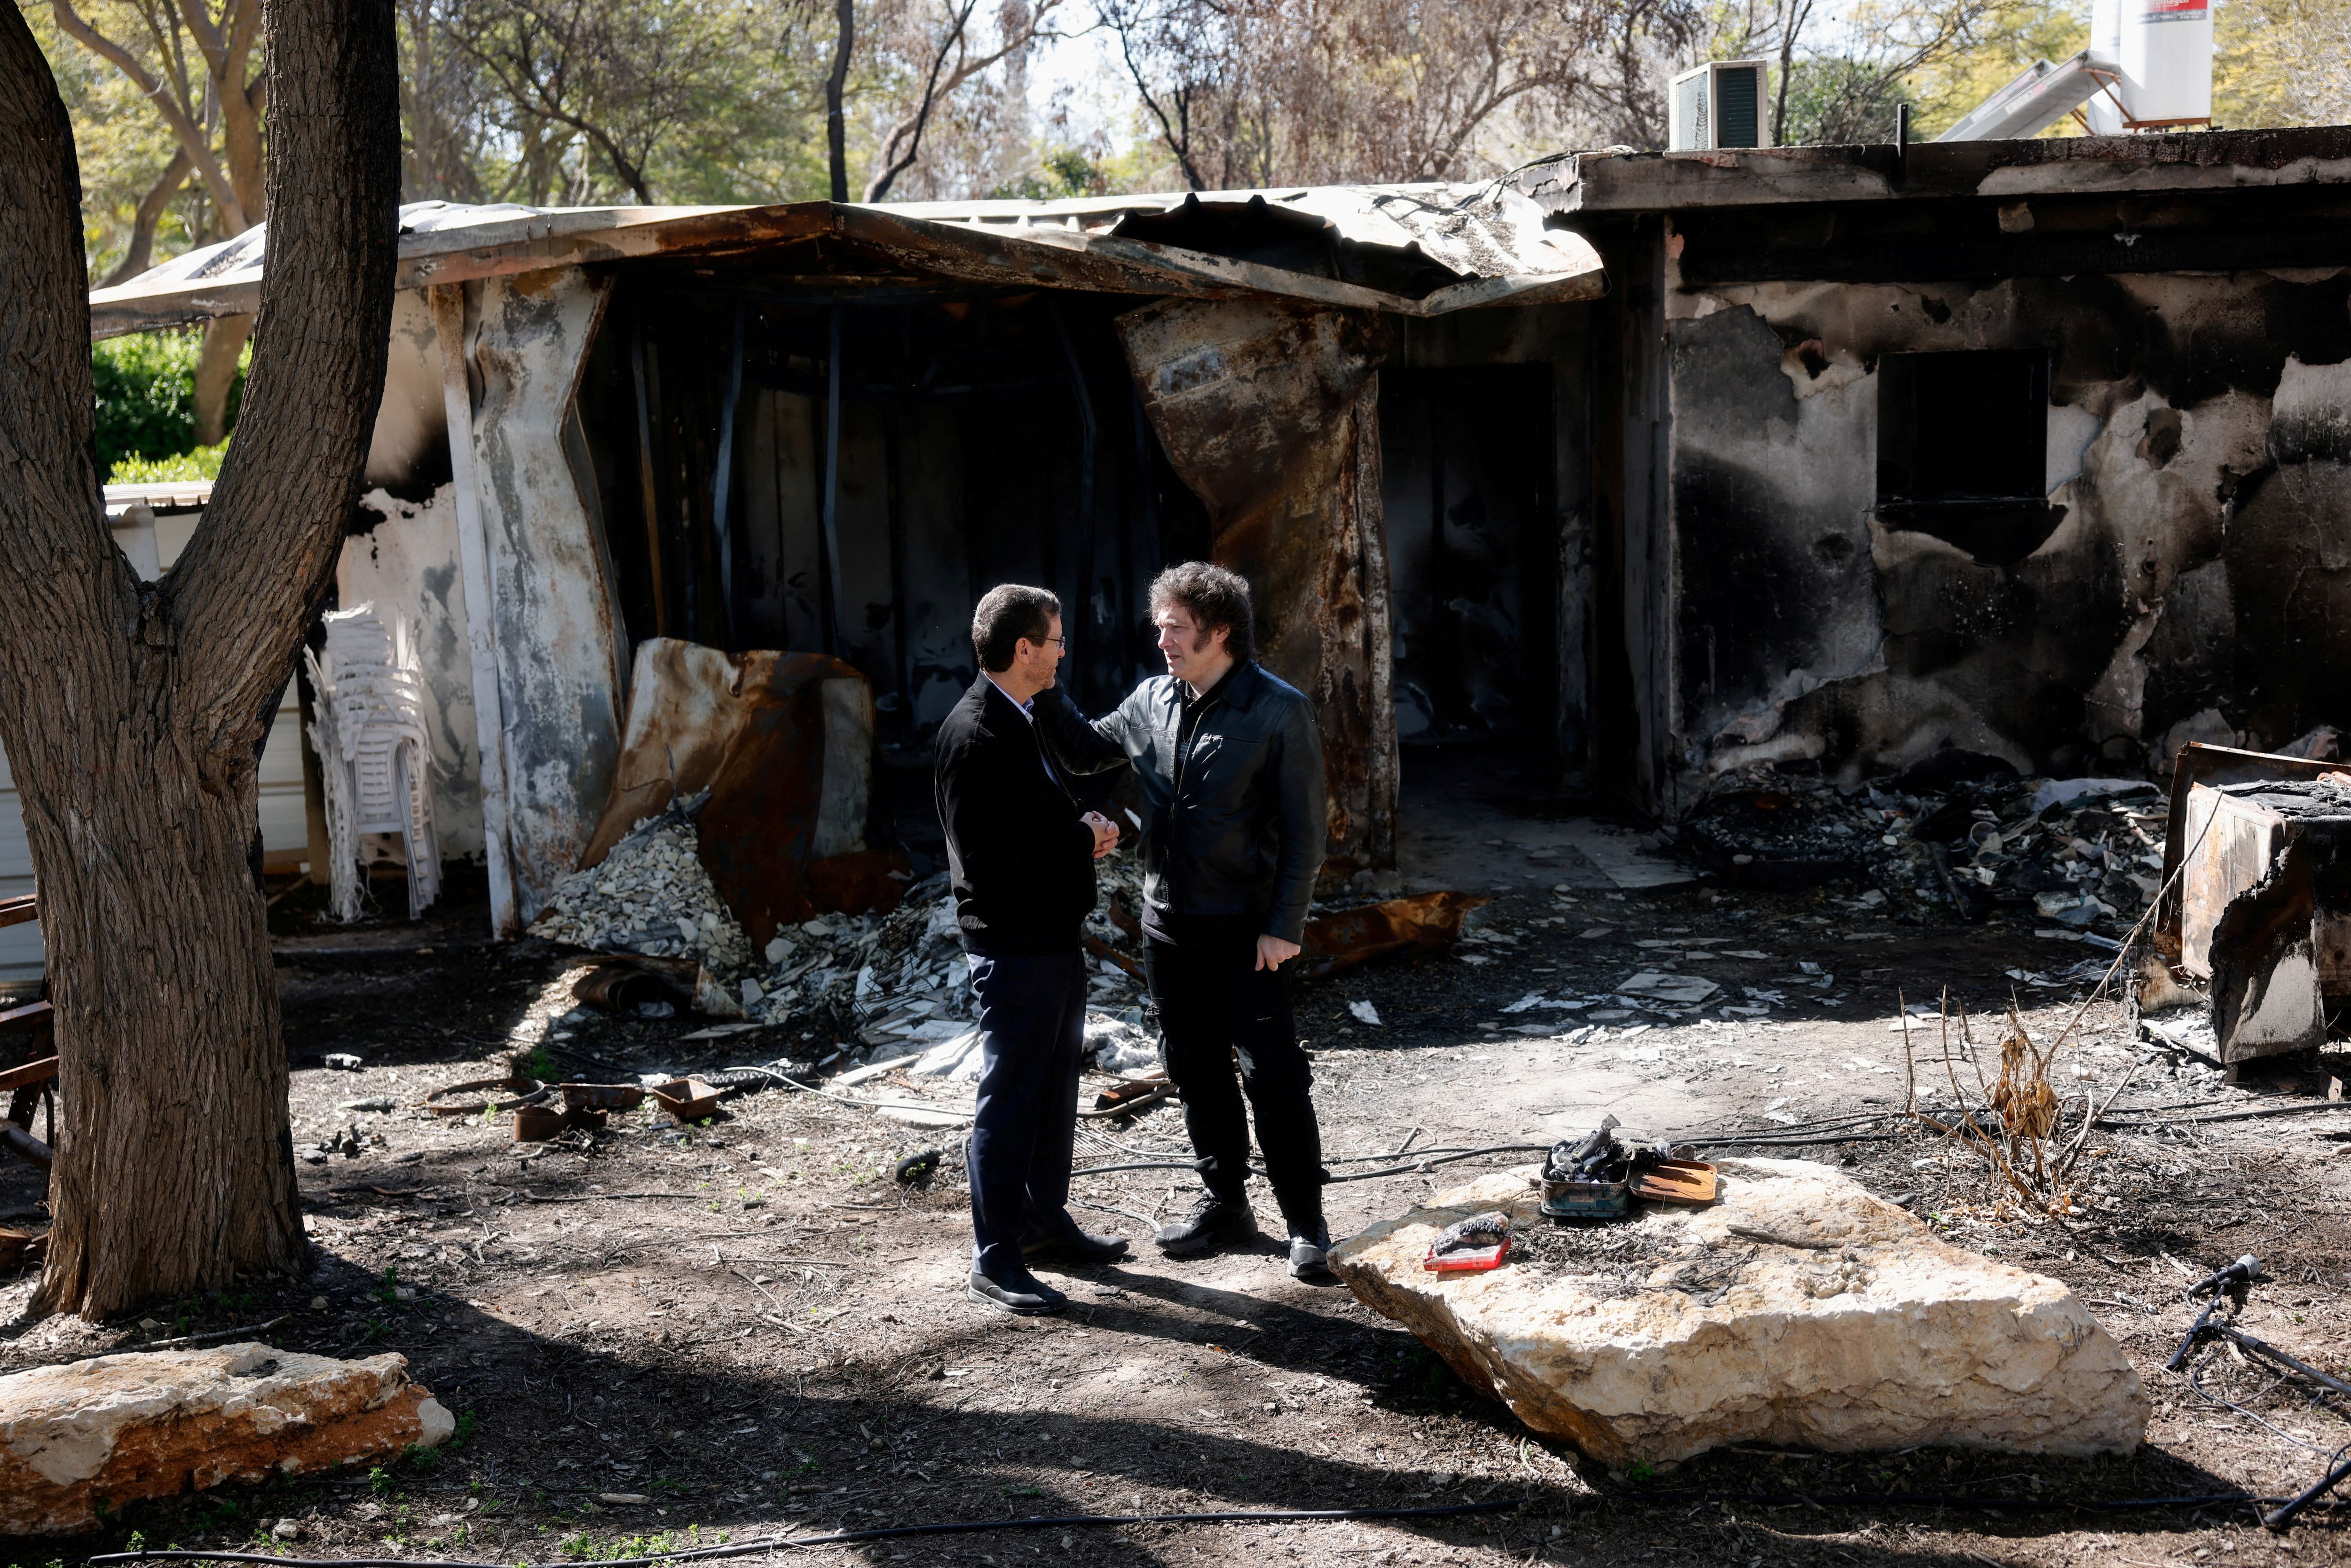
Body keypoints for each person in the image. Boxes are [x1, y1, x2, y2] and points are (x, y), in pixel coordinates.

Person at [1033, 561, 1333, 1278]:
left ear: (1219, 631)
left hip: (1247, 928)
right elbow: (1083, 752)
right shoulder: (1150, 702)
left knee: (1275, 1079)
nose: (1161, 639)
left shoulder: (1276, 709)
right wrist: (1041, 682)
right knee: (1195, 1070)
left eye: (1176, 628)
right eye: (1159, 626)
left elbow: (1306, 831)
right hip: (1169, 925)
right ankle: (1225, 1204)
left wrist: (1284, 925)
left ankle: (1308, 1224)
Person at [934, 583, 1127, 1315]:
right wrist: (1082, 838)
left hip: (1049, 937)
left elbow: (1031, 822)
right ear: (1024, 650)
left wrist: (1081, 830)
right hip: (1014, 946)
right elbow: (992, 863)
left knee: (1052, 1095)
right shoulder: (976, 734)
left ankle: (1045, 1224)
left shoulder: (1023, 715)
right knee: (1010, 1101)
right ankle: (996, 1257)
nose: (1062, 653)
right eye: (1054, 641)